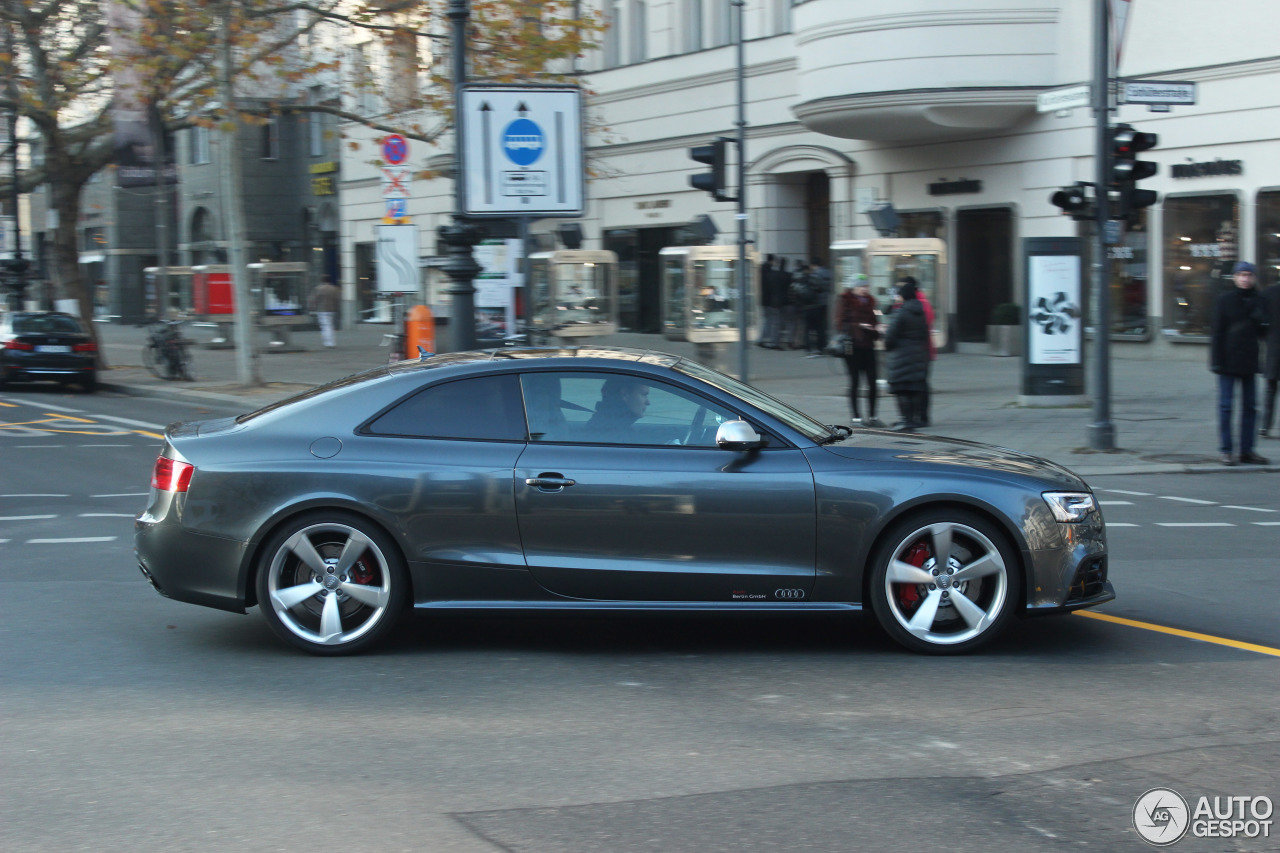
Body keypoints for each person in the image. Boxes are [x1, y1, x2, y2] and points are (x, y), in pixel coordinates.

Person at [1209, 261, 1268, 465]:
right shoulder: (1224, 300)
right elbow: (1217, 332)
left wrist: (1261, 319)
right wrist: (1215, 361)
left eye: (1248, 275)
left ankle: (1246, 450)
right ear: (1234, 277)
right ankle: (1226, 450)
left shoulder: (1258, 299)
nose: (1245, 279)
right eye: (1241, 275)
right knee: (1226, 407)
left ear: (1253, 278)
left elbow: (1262, 332)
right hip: (1227, 360)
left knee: (1250, 407)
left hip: (1249, 361)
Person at [884, 278, 930, 432]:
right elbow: (924, 333)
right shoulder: (920, 311)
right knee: (913, 388)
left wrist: (887, 345)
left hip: (901, 355)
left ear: (902, 296)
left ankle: (906, 420)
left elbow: (890, 336)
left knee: (901, 389)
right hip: (917, 354)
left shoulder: (901, 312)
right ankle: (913, 419)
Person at [836, 275, 882, 426]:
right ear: (854, 287)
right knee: (855, 382)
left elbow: (876, 320)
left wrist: (877, 329)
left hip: (868, 346)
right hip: (852, 347)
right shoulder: (845, 300)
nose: (865, 289)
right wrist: (860, 326)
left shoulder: (871, 301)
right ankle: (856, 417)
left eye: (866, 286)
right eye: (861, 286)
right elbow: (841, 324)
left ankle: (873, 417)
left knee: (873, 382)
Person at [586, 377, 650, 442]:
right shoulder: (610, 433)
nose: (648, 402)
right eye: (644, 394)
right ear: (625, 394)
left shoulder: (607, 426)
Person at [912, 278, 937, 427]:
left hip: (922, 350)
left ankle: (922, 416)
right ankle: (920, 416)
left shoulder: (920, 304)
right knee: (921, 384)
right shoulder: (921, 302)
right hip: (923, 350)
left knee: (920, 384)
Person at [1260, 276, 1280, 438]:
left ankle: (1265, 426)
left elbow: (1261, 320)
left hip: (1273, 347)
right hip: (1273, 345)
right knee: (1270, 388)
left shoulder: (1268, 293)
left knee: (1270, 388)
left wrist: (1267, 339)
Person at [801, 257, 832, 358]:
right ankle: (822, 346)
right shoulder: (829, 272)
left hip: (815, 303)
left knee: (810, 327)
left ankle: (810, 348)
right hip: (826, 302)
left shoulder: (814, 275)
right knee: (821, 326)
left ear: (812, 265)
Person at [308, 277, 341, 348]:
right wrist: (336, 308)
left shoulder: (318, 288)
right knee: (330, 326)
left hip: (322, 310)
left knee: (325, 326)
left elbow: (314, 299)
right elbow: (337, 299)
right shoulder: (334, 289)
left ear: (322, 281)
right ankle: (332, 342)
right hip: (332, 310)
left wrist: (313, 307)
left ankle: (328, 342)